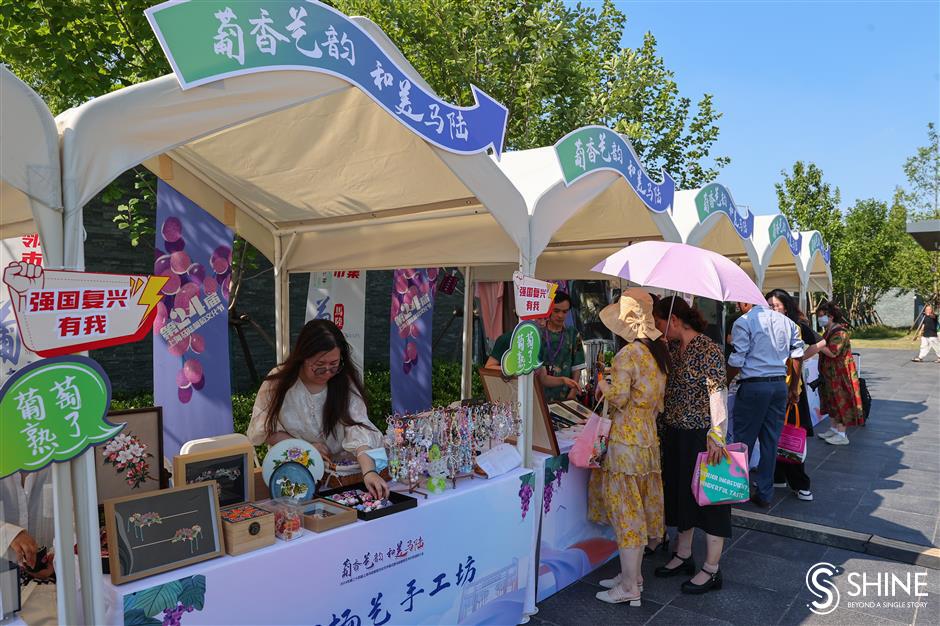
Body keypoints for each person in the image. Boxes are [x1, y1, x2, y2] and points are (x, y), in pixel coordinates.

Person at [588, 289, 670, 606]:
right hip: (648, 441)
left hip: (625, 442)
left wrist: (603, 385)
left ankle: (629, 587)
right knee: (639, 511)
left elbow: (619, 398)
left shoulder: (627, 356)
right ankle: (631, 577)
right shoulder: (657, 354)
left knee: (626, 515)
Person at [248, 319, 389, 498]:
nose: (328, 372)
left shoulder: (344, 381)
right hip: (295, 477)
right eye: (319, 366)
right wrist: (306, 448)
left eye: (334, 365)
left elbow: (358, 429)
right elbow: (266, 430)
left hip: (340, 479)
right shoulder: (278, 382)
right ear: (303, 357)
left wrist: (369, 472)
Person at [651, 297, 730, 595]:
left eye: (659, 322)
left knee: (710, 501)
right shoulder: (671, 348)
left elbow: (717, 393)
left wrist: (717, 434)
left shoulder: (707, 349)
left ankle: (712, 569)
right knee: (681, 497)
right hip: (675, 433)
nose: (659, 328)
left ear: (673, 320)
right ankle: (683, 554)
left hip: (702, 436)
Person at [726, 300, 804, 508]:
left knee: (743, 441)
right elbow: (797, 355)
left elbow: (737, 359)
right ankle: (764, 492)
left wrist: (723, 383)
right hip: (778, 385)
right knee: (770, 442)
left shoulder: (744, 321)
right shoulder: (787, 322)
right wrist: (793, 388)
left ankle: (734, 490)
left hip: (753, 386)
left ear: (745, 302)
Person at [765, 289, 826, 501]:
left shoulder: (796, 326)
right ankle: (778, 476)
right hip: (771, 386)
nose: (773, 309)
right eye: (769, 306)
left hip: (792, 390)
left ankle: (801, 484)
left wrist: (801, 358)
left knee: (791, 433)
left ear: (786, 306)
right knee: (774, 434)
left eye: (776, 305)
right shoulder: (766, 326)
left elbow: (820, 342)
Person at [814, 301, 865, 445]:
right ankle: (834, 429)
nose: (819, 319)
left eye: (822, 316)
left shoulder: (840, 332)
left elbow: (832, 352)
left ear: (830, 317)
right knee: (831, 401)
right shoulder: (828, 331)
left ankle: (842, 434)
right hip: (831, 374)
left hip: (840, 373)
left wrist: (818, 344)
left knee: (840, 401)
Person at [484, 331, 581, 398]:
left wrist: (563, 380)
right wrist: (514, 370)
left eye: (544, 319)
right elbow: (489, 367)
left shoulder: (538, 342)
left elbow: (543, 378)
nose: (542, 323)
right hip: (507, 398)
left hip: (530, 399)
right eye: (538, 319)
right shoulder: (507, 338)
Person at [1, 468, 55, 580]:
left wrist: (58, 559)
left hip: (55, 582)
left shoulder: (61, 459)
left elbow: (80, 521)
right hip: (3, 583)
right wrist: (7, 532)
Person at [539, 292, 587, 402]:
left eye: (564, 312)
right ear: (549, 310)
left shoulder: (573, 334)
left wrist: (573, 392)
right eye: (556, 311)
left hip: (565, 395)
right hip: (540, 395)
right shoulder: (538, 334)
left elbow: (577, 366)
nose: (560, 315)